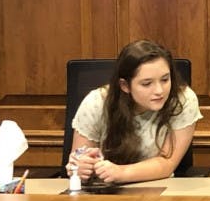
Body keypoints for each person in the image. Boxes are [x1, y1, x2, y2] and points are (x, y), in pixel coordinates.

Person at [66, 40, 202, 184]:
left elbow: (167, 163)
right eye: (147, 84)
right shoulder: (96, 103)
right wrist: (80, 168)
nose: (159, 91)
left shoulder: (183, 100)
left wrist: (121, 172)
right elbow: (79, 158)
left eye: (165, 79)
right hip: (104, 189)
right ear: (125, 85)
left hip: (159, 187)